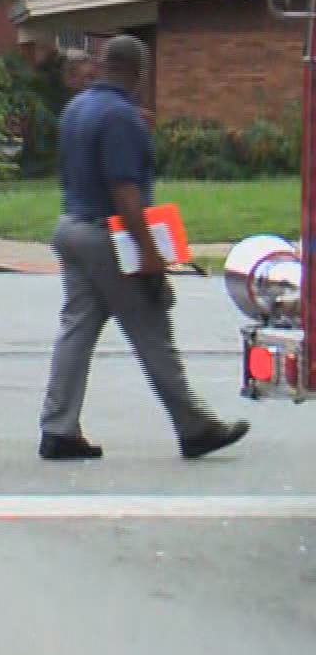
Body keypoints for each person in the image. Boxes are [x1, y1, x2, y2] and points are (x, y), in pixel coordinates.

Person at [39, 34, 250, 461]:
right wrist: (150, 256)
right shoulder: (121, 117)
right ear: (139, 72)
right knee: (153, 329)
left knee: (76, 330)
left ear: (101, 65)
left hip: (71, 227)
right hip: (108, 235)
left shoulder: (77, 108)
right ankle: (194, 428)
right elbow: (124, 192)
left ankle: (57, 427)